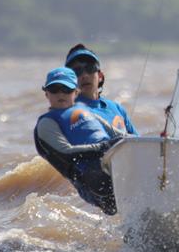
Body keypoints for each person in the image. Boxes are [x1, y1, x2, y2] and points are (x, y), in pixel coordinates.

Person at [33, 66, 124, 215]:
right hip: (91, 179)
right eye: (55, 89)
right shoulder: (47, 123)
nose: (60, 94)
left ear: (76, 92)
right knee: (102, 178)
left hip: (113, 161)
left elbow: (119, 135)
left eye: (66, 89)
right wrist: (104, 147)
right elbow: (66, 152)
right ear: (46, 94)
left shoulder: (85, 111)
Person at [64, 44, 138, 135]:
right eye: (77, 71)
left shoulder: (117, 108)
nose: (85, 75)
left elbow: (140, 143)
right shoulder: (66, 114)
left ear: (100, 76)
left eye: (90, 68)